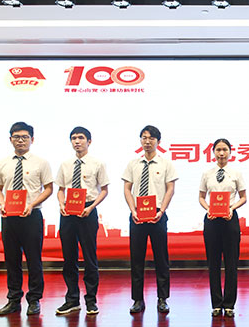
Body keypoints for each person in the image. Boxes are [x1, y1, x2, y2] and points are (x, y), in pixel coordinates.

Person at [0, 122, 53, 316]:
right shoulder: (2, 163)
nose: (21, 140)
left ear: (32, 139)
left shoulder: (41, 163)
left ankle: (34, 299)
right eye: (17, 137)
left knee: (34, 259)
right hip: (9, 216)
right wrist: (2, 203)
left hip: (31, 216)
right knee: (12, 259)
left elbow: (49, 188)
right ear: (10, 139)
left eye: (25, 137)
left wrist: (32, 204)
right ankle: (13, 299)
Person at [122, 125, 177, 314]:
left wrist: (162, 210)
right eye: (144, 138)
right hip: (137, 214)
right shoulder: (133, 164)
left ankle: (163, 299)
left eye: (151, 138)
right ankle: (137, 299)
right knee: (136, 258)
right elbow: (127, 188)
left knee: (161, 258)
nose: (147, 141)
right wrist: (133, 210)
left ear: (158, 142)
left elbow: (170, 188)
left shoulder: (165, 164)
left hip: (157, 214)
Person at [54, 126, 109, 316]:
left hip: (87, 210)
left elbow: (104, 190)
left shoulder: (97, 163)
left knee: (89, 257)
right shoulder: (65, 164)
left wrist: (91, 207)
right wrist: (61, 204)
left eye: (81, 138)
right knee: (69, 258)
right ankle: (72, 300)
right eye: (74, 138)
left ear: (89, 141)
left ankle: (91, 301)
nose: (77, 141)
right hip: (68, 212)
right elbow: (60, 189)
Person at [199, 138, 246, 318]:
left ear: (230, 152)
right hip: (212, 220)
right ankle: (216, 304)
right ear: (213, 152)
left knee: (231, 263)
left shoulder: (236, 173)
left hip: (229, 219)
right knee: (213, 263)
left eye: (224, 149)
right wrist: (208, 208)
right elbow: (201, 197)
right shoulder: (207, 174)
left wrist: (232, 208)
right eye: (218, 150)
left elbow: (243, 197)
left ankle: (229, 304)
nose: (221, 153)